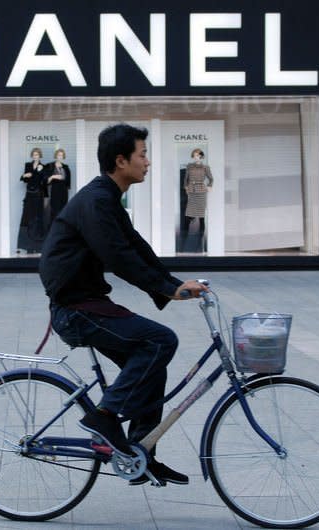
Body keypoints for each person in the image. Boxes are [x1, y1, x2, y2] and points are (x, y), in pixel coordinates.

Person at [39, 124, 208, 486]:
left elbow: (136, 247)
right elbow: (119, 257)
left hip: (87, 302)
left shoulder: (107, 199)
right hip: (76, 309)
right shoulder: (97, 201)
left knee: (151, 361)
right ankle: (104, 415)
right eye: (142, 154)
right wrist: (168, 290)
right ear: (121, 161)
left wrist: (173, 285)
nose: (147, 162)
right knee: (161, 341)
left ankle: (140, 451)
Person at [17, 147, 47, 253]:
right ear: (32, 156)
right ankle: (26, 246)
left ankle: (38, 246)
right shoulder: (28, 165)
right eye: (34, 155)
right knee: (27, 219)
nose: (36, 156)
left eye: (37, 155)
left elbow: (44, 182)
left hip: (38, 195)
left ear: (40, 156)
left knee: (38, 219)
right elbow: (25, 180)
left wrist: (39, 172)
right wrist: (24, 175)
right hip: (29, 194)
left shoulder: (43, 166)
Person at [45, 148, 71, 222]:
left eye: (62, 155)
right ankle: (53, 229)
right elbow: (46, 180)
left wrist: (62, 178)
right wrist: (53, 176)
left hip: (63, 191)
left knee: (63, 210)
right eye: (59, 155)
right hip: (54, 190)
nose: (60, 157)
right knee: (54, 210)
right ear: (56, 156)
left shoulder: (66, 167)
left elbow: (67, 181)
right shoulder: (50, 165)